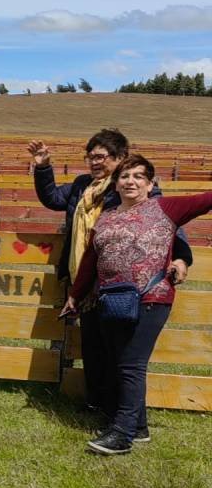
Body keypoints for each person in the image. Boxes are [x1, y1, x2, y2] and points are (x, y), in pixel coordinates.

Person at [28, 130, 192, 414]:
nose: (94, 163)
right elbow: (53, 198)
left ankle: (121, 411)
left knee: (118, 350)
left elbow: (168, 226)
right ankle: (97, 402)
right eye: (90, 157)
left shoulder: (133, 189)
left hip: (121, 284)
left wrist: (182, 258)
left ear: (119, 159)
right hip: (85, 279)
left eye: (101, 157)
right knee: (92, 345)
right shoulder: (82, 185)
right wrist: (43, 166)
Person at [61, 155, 212, 455]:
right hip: (113, 301)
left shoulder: (166, 208)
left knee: (131, 364)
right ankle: (138, 426)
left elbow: (207, 200)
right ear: (115, 184)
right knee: (121, 364)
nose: (131, 181)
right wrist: (75, 296)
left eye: (139, 176)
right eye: (125, 176)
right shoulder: (106, 218)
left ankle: (122, 434)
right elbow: (90, 263)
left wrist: (182, 260)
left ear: (150, 183)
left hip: (151, 298)